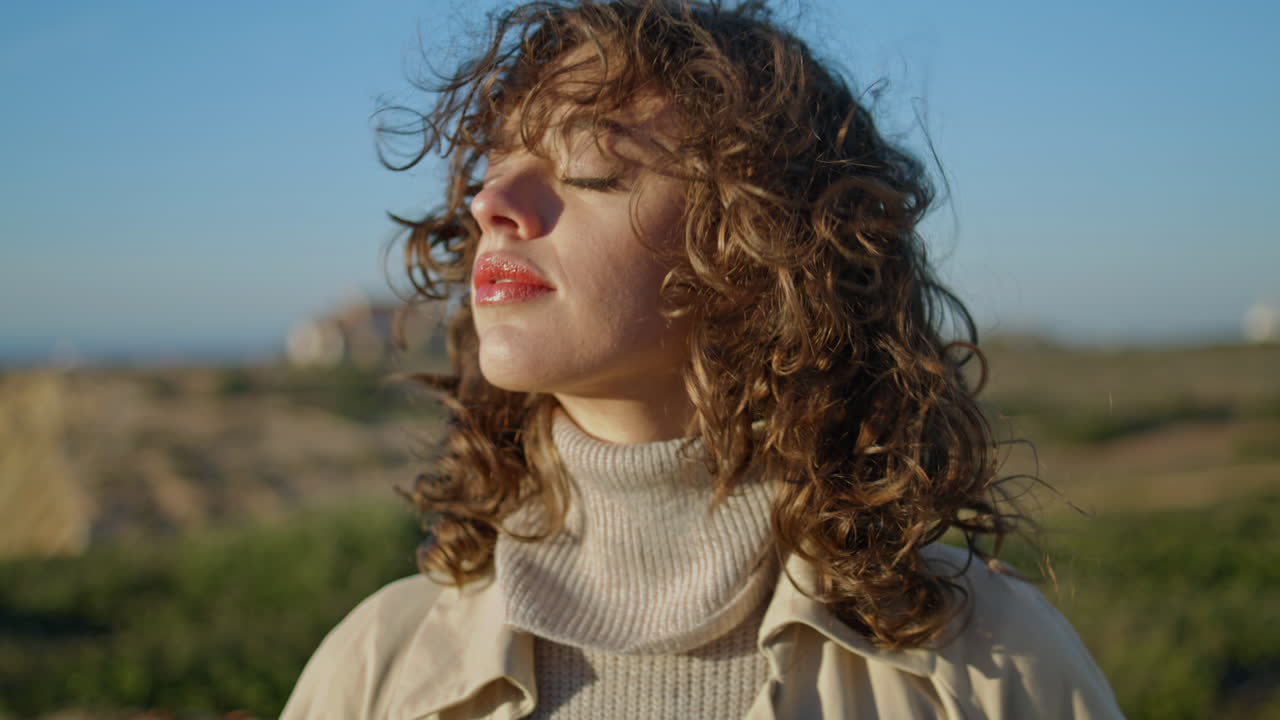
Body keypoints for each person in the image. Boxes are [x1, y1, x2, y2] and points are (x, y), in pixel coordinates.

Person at [283, 0, 1124, 717]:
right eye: (500, 161)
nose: (492, 202)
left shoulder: (990, 663)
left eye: (590, 166)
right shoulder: (375, 667)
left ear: (763, 251)